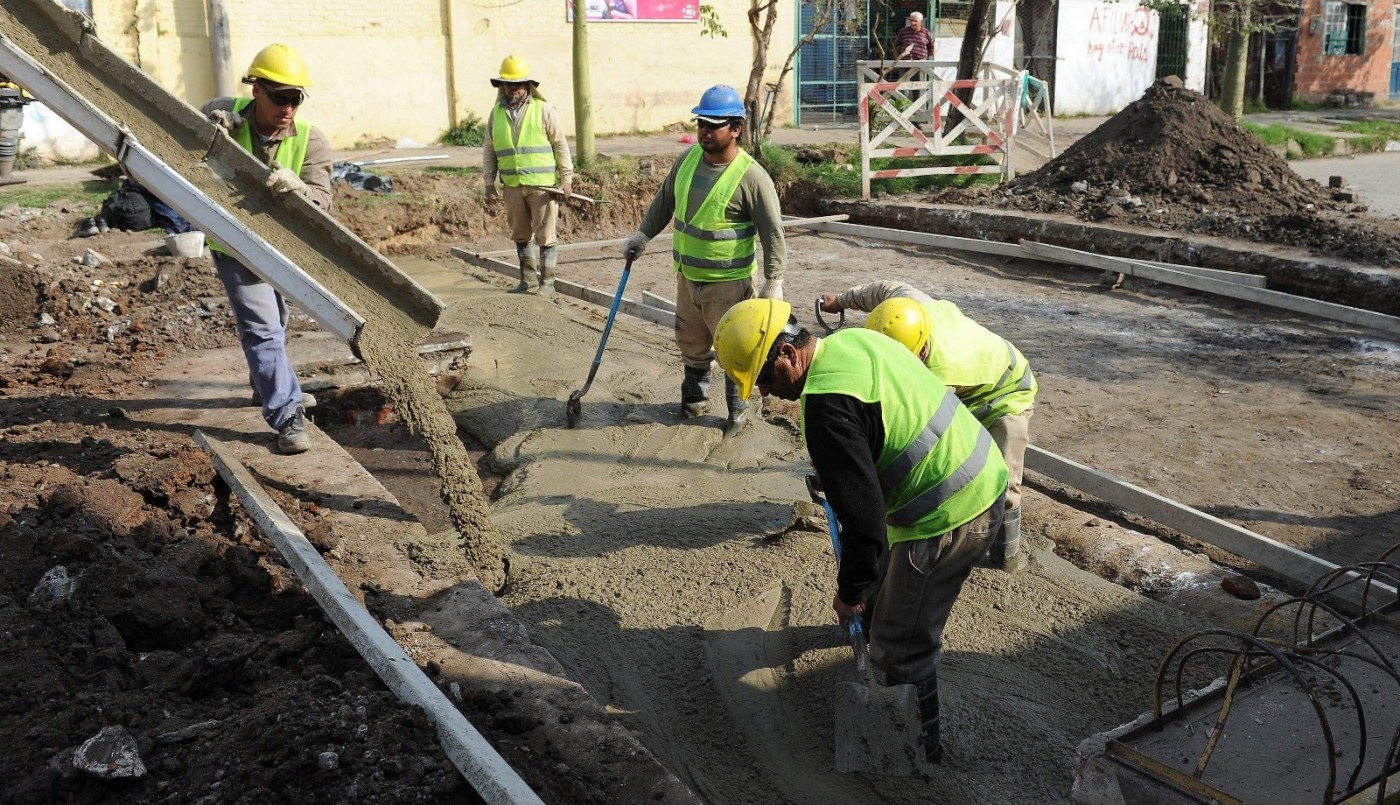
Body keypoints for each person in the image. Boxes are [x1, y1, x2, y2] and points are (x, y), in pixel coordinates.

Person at [713, 298, 1008, 764]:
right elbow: (880, 423)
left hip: (951, 512)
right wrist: (841, 471)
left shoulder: (826, 407)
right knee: (881, 576)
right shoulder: (853, 343)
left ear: (788, 354)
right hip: (979, 466)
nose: (768, 394)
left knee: (901, 642)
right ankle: (876, 618)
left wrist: (850, 592)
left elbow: (865, 524)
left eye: (766, 380)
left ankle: (920, 748)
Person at [820, 281, 1036, 570]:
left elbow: (916, 436)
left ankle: (1006, 559)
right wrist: (842, 300)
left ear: (919, 352)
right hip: (972, 386)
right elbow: (884, 289)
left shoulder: (940, 377)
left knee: (1001, 483)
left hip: (1008, 394)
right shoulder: (909, 308)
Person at [621, 85, 786, 436]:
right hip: (687, 276)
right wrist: (643, 235)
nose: (705, 132)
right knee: (691, 345)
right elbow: (665, 201)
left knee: (733, 350)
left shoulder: (752, 177)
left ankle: (736, 415)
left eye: (714, 125)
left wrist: (774, 281)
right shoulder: (688, 160)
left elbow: (772, 232)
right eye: (701, 124)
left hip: (728, 285)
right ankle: (693, 404)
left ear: (736, 128)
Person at [202, 43, 334, 455]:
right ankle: (287, 414)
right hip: (234, 240)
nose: (288, 108)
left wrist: (301, 191)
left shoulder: (312, 141)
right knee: (262, 328)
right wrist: (204, 131)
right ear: (256, 89)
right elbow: (177, 145)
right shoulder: (224, 112)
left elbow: (323, 200)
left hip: (282, 246)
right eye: (280, 97)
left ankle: (266, 384)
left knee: (274, 319)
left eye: (295, 99)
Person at [483, 55, 574, 297]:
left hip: (541, 187)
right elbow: (490, 150)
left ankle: (548, 284)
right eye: (507, 84)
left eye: (516, 84)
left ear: (527, 86)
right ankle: (527, 280)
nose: (511, 89)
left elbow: (560, 145)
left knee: (545, 235)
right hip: (512, 185)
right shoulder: (496, 114)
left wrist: (567, 179)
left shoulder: (543, 110)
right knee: (520, 234)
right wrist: (488, 182)